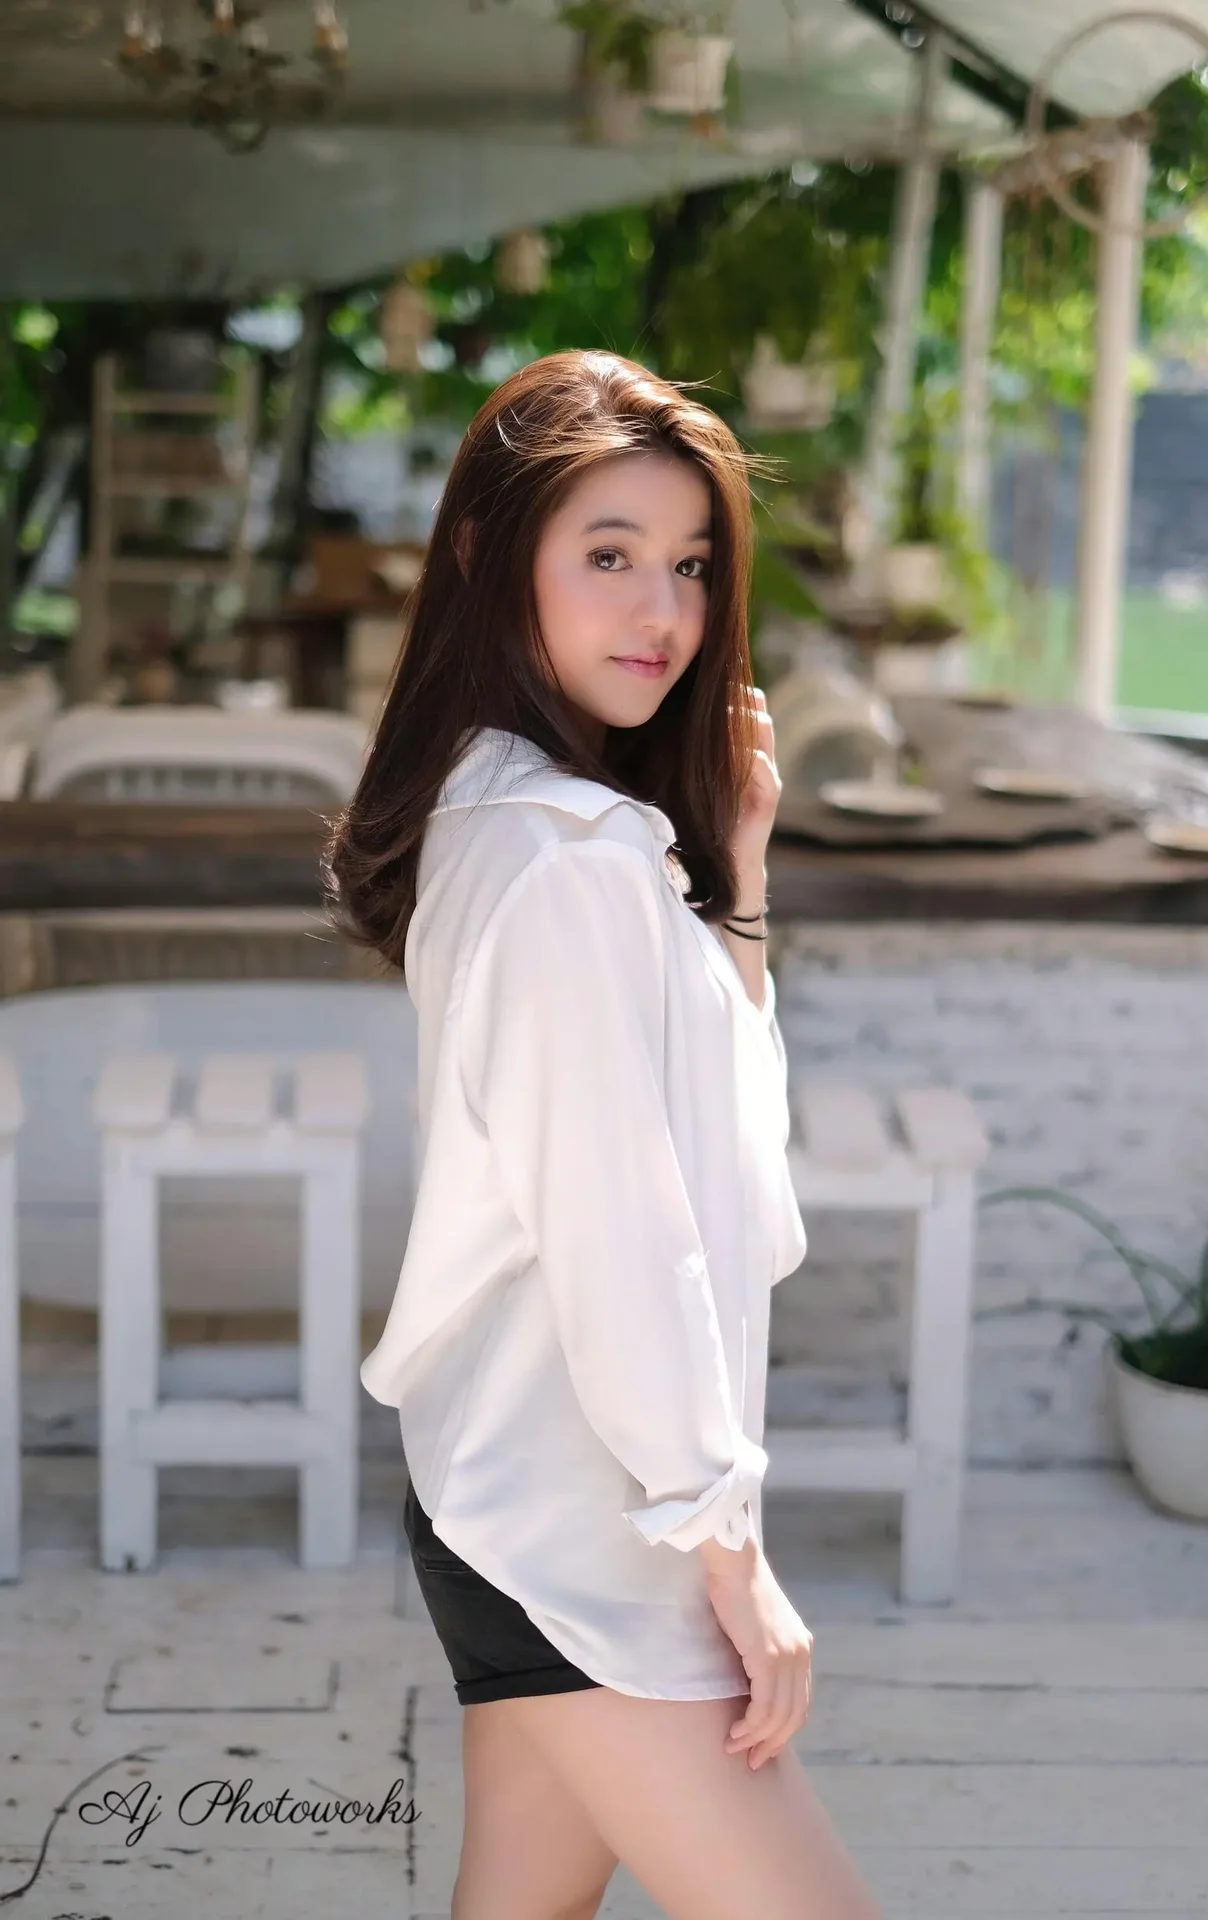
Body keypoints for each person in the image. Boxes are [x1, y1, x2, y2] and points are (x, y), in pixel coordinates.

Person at [323, 350, 882, 1920]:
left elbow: (724, 1151)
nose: (664, 610)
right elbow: (626, 1240)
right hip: (583, 1540)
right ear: (493, 559)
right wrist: (730, 1554)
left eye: (691, 565)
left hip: (536, 1507)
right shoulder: (559, 858)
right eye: (612, 554)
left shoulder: (544, 822)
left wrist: (739, 878)